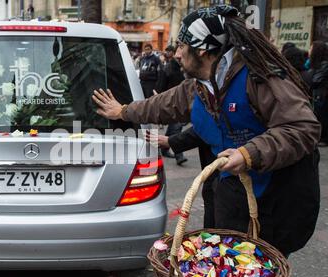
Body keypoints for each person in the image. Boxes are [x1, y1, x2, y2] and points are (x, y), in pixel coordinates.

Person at [92, 5, 321, 257]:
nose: (176, 54)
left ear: (202, 50)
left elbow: (302, 127)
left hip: (276, 200)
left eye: (181, 46)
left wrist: (248, 153)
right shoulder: (198, 87)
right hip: (231, 196)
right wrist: (122, 111)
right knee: (227, 263)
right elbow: (160, 105)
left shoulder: (259, 78)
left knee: (260, 270)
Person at [157, 45, 188, 165]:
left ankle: (164, 149)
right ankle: (179, 155)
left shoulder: (182, 68)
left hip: (180, 102)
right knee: (176, 128)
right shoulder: (169, 68)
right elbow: (161, 86)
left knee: (173, 127)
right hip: (172, 104)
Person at [304, 41, 328, 146]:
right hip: (317, 95)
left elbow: (315, 80)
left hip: (322, 96)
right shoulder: (311, 63)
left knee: (322, 116)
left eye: (311, 48)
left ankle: (324, 138)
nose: (309, 50)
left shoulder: (324, 65)